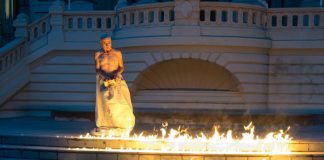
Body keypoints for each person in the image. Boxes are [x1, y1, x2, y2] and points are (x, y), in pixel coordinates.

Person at [91, 34, 135, 136]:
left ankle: (122, 124)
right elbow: (97, 69)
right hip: (104, 81)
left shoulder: (117, 53)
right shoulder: (98, 54)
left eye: (109, 43)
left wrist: (116, 75)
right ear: (101, 43)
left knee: (119, 103)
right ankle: (107, 124)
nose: (107, 45)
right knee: (105, 104)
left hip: (116, 80)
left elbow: (121, 67)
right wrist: (104, 76)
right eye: (105, 43)